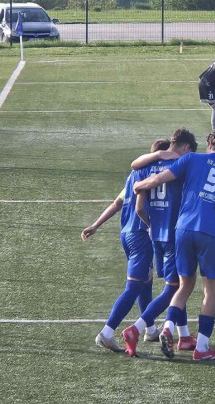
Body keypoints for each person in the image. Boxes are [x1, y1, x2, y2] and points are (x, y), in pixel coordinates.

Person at [131, 131, 215, 361]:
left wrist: (139, 185)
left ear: (210, 144)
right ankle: (201, 348)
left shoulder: (192, 158)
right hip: (210, 232)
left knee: (183, 286)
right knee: (211, 291)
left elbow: (159, 179)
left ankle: (168, 328)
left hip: (183, 228)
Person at [85, 139, 171, 352]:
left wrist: (96, 224)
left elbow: (117, 203)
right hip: (141, 234)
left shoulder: (134, 174)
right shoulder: (156, 175)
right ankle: (107, 332)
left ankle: (150, 329)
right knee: (134, 286)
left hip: (127, 233)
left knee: (145, 281)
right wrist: (151, 225)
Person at [120, 129, 199, 356]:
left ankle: (184, 335)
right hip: (174, 235)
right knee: (175, 288)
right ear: (186, 148)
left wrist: (150, 224)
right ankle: (136, 328)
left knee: (177, 285)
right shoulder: (181, 165)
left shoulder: (148, 166)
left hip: (156, 235)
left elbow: (139, 205)